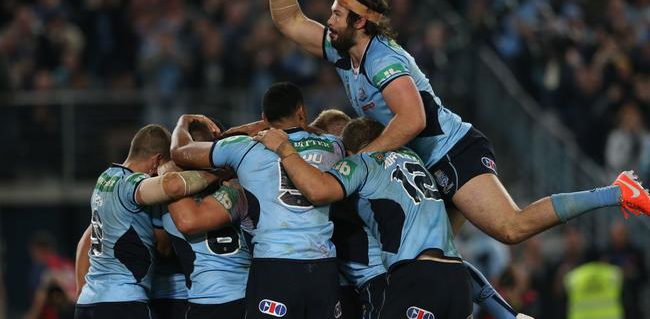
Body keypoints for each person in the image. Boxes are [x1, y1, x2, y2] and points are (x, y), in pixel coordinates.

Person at [267, 0, 649, 246]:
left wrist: (364, 160)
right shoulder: (342, 50)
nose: (329, 20)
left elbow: (413, 120)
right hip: (424, 161)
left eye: (338, 14)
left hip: (451, 151)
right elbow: (289, 22)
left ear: (360, 23)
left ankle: (618, 192)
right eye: (332, 12)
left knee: (510, 228)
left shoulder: (383, 60)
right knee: (431, 254)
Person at [256, 117, 472, 318]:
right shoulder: (414, 157)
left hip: (416, 278)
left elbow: (317, 190)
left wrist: (284, 148)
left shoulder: (363, 162)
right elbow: (459, 204)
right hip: (457, 277)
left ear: (349, 151)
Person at [170, 82, 345, 319]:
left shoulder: (243, 148)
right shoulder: (334, 147)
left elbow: (180, 151)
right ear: (301, 111)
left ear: (264, 117)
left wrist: (184, 120)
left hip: (274, 265)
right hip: (323, 265)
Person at [75, 124, 221, 319]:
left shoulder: (105, 178)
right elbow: (172, 187)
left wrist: (81, 290)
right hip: (124, 301)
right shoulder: (133, 186)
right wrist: (217, 172)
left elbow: (87, 239)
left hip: (89, 301)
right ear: (157, 161)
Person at [165, 120, 251, 318]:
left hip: (206, 303)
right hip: (247, 298)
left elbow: (161, 246)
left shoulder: (167, 198)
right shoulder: (240, 189)